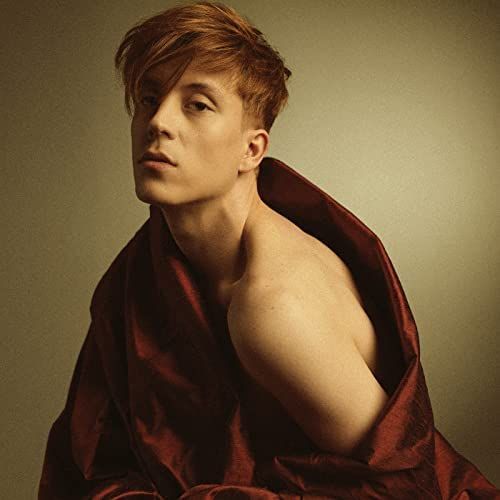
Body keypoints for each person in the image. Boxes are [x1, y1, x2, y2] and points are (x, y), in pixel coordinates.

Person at [39, 2, 498, 498]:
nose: (159, 122)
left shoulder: (273, 308)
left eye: (197, 104)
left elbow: (404, 486)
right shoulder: (162, 255)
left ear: (252, 149)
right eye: (150, 98)